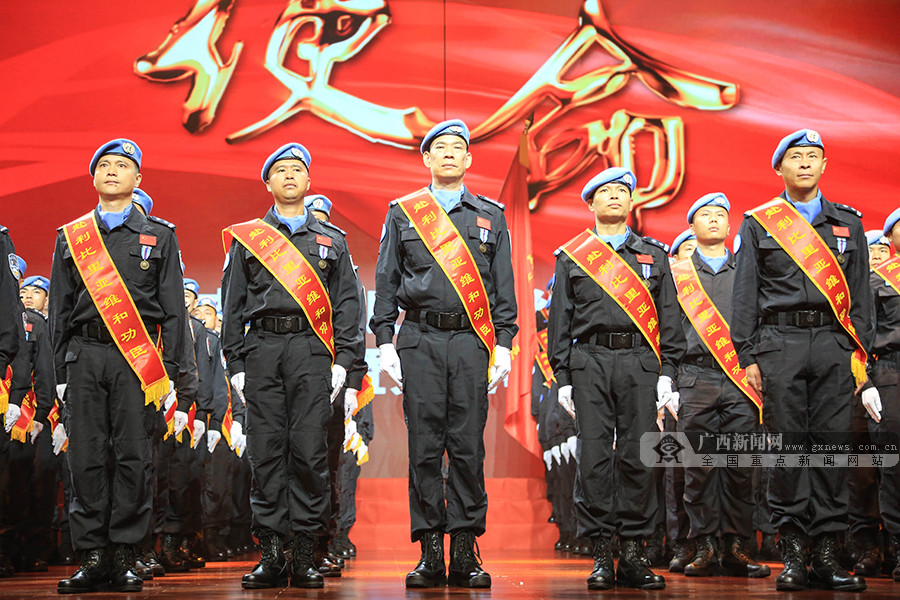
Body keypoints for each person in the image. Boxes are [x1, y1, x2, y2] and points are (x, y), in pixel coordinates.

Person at [370, 119, 517, 589]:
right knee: (426, 448)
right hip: (420, 340)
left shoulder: (490, 215)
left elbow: (503, 291)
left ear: (469, 159)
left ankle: (465, 552)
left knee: (469, 448)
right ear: (427, 160)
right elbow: (387, 282)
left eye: (459, 147)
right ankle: (430, 551)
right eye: (440, 148)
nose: (450, 153)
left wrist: (506, 345)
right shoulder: (403, 213)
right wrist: (385, 341)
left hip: (472, 343)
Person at [731, 129, 871, 592]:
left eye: (814, 156)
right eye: (797, 157)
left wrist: (859, 352)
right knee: (788, 450)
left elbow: (862, 300)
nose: (806, 164)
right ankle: (792, 553)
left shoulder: (848, 224)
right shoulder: (760, 223)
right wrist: (748, 354)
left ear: (825, 165)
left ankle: (827, 555)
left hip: (833, 344)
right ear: (780, 168)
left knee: (830, 449)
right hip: (779, 343)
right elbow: (745, 293)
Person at [221, 143, 361, 589]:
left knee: (308, 453)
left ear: (308, 180)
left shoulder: (331, 240)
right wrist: (236, 363)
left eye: (296, 170)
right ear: (268, 182)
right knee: (266, 454)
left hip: (310, 350)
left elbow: (347, 308)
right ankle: (272, 554)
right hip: (261, 348)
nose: (288, 176)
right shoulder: (249, 239)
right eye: (279, 171)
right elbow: (232, 305)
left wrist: (344, 362)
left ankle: (305, 553)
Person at [50, 139, 186, 593]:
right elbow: (59, 314)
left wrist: (171, 373)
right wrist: (60, 376)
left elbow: (173, 314)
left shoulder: (159, 235)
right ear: (93, 177)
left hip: (137, 359)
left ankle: (127, 555)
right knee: (86, 457)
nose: (112, 171)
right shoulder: (71, 236)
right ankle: (93, 556)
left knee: (133, 457)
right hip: (84, 356)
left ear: (138, 179)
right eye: (104, 165)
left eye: (122, 165)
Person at [548, 166, 685, 590]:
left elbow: (670, 320)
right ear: (590, 203)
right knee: (594, 459)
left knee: (639, 456)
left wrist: (669, 373)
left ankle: (634, 553)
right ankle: (602, 555)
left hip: (640, 363)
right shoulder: (572, 256)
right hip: (589, 362)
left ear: (631, 202)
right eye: (604, 192)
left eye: (621, 191)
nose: (614, 197)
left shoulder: (653, 255)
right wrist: (564, 378)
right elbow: (560, 323)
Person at [670, 193, 769, 578]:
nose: (713, 221)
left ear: (730, 227)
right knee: (699, 466)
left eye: (720, 216)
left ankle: (737, 546)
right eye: (704, 216)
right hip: (695, 377)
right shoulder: (677, 274)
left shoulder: (748, 270)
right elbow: (669, 331)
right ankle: (704, 545)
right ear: (691, 227)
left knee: (740, 466)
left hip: (741, 378)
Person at [860, 210, 900, 582]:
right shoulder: (876, 279)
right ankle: (898, 550)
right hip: (891, 373)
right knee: (893, 468)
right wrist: (866, 383)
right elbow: (861, 339)